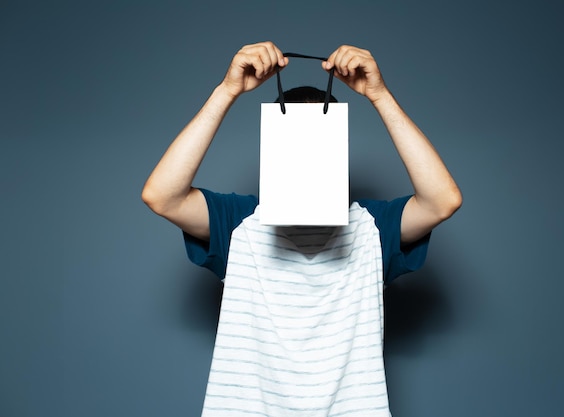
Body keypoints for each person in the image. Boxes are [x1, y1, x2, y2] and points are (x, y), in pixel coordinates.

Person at [142, 41, 462, 417]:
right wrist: (227, 91)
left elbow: (443, 201)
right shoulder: (238, 223)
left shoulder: (374, 228)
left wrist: (379, 96)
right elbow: (162, 196)